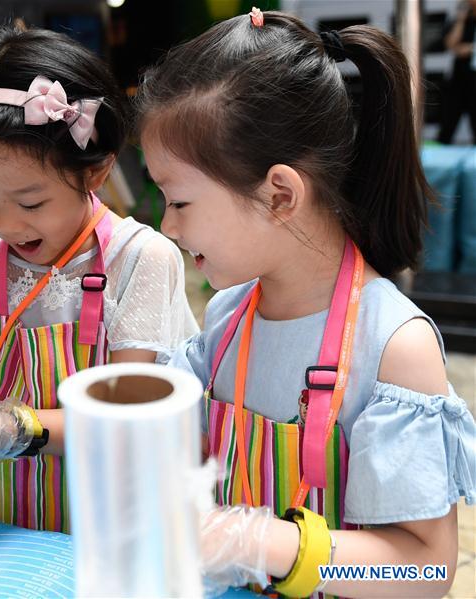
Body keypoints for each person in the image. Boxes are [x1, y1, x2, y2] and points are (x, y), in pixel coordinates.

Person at [137, 9, 476, 597]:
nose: (166, 227)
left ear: (279, 194)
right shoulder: (228, 316)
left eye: (179, 203)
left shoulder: (395, 347)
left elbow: (421, 572)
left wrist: (260, 543)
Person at [0, 23, 200, 532]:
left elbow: (126, 417)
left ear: (95, 171)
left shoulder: (141, 260)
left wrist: (15, 424)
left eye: (31, 202)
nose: (5, 223)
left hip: (106, 519)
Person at [439, 0, 476, 144]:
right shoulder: (459, 20)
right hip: (459, 80)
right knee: (448, 124)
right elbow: (451, 45)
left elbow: (463, 49)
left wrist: (470, 48)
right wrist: (461, 19)